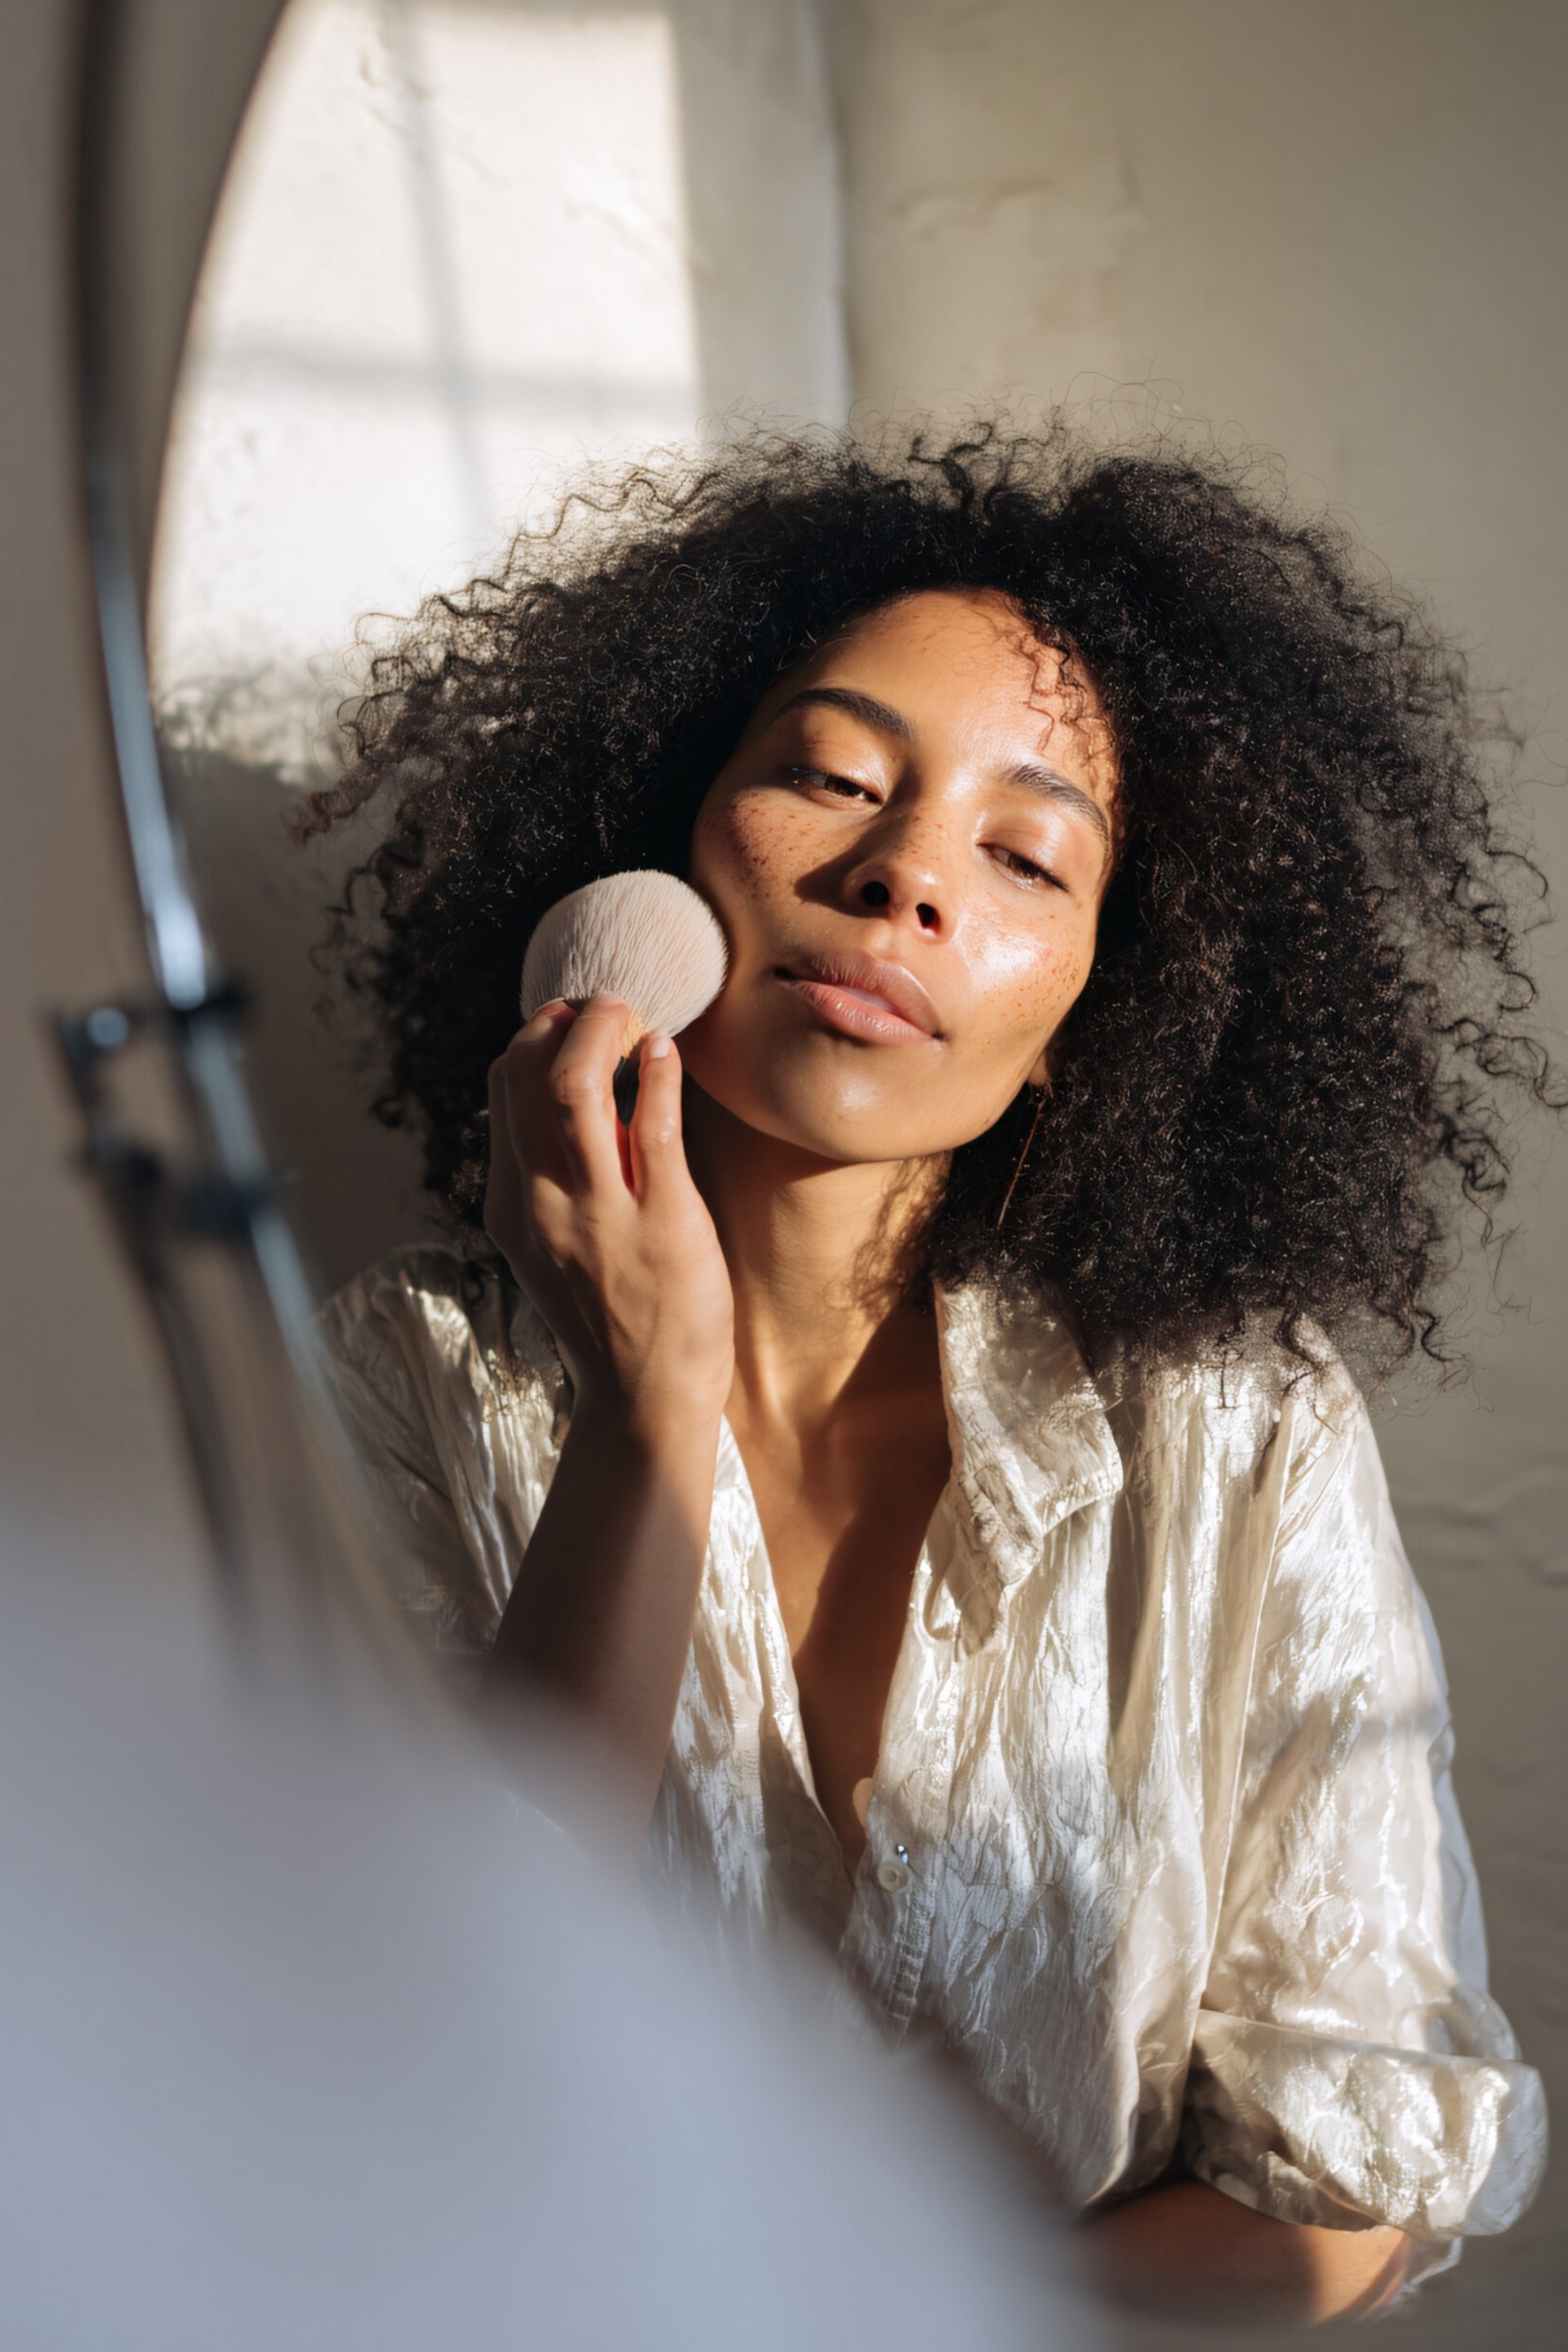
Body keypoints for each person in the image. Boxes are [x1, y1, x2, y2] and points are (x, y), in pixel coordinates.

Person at [309, 425, 1549, 2325]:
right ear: (662, 831)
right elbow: (411, 2050)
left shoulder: (1234, 1432)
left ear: (1086, 1019)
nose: (905, 880)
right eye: (828, 777)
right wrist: (646, 1418)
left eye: (1025, 853)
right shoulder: (403, 1377)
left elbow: (1351, 2180)